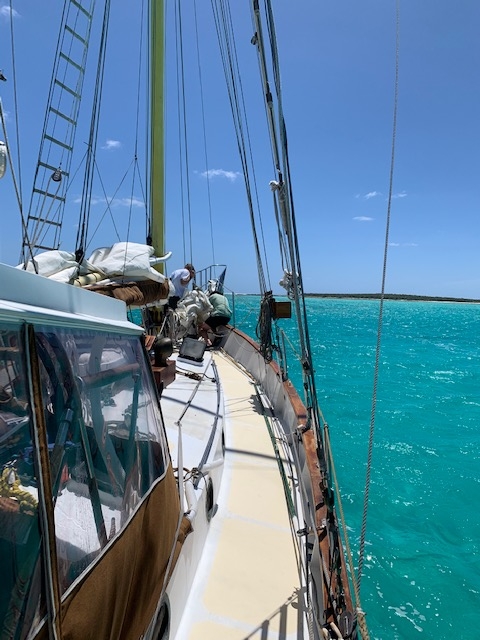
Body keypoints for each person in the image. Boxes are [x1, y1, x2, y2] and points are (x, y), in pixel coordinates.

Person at [198, 281, 231, 345]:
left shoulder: (212, 296)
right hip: (227, 317)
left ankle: (208, 343)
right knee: (212, 324)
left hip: (218, 315)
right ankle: (217, 336)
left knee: (202, 329)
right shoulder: (224, 297)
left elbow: (206, 306)